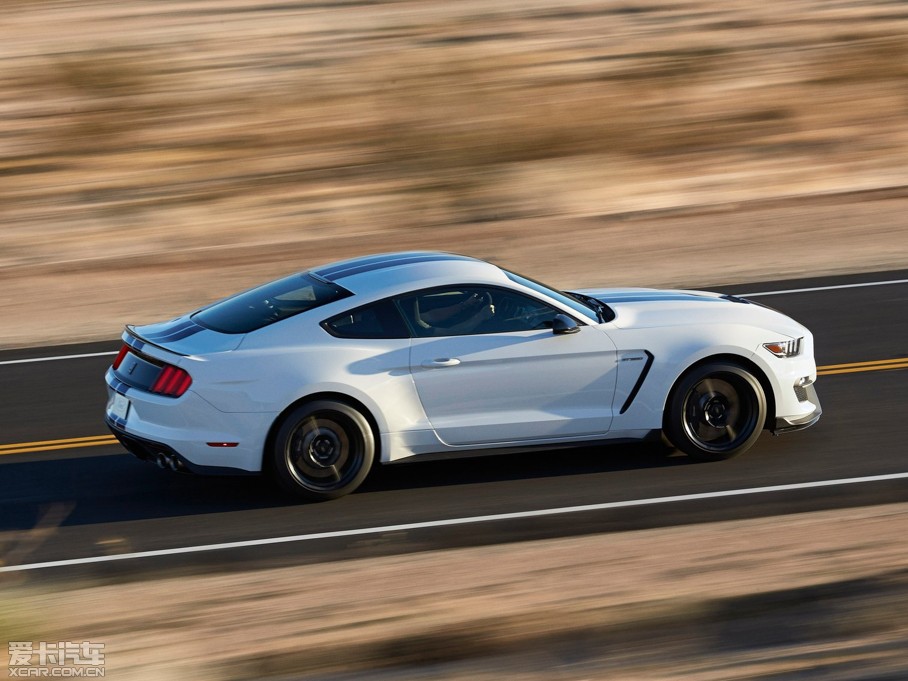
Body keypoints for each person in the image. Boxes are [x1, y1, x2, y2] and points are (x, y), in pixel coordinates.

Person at [414, 291, 495, 335]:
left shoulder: (407, 313)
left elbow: (432, 316)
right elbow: (453, 332)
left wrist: (465, 304)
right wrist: (481, 316)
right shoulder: (413, 327)